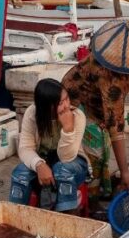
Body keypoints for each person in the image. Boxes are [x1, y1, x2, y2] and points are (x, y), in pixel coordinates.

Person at [62, 17, 129, 199]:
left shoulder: (118, 64)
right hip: (75, 108)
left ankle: (100, 191)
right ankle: (87, 199)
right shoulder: (112, 76)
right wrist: (125, 172)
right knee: (93, 158)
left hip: (93, 107)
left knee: (103, 151)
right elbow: (115, 125)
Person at [10, 78, 88, 213]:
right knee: (20, 173)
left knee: (62, 169)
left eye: (67, 99)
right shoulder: (32, 113)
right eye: (60, 103)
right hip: (44, 162)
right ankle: (15, 218)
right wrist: (39, 164)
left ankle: (65, 220)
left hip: (74, 164)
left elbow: (66, 158)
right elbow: (25, 148)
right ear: (47, 106)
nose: (66, 106)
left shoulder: (77, 116)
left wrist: (68, 128)